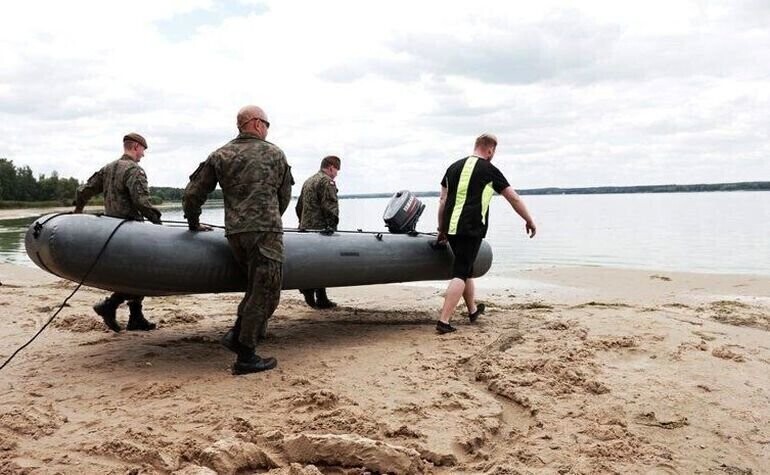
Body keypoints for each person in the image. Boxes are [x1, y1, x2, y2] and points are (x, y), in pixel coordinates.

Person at [183, 105, 293, 375]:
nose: (267, 129)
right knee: (267, 292)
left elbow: (193, 194)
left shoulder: (220, 155)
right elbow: (284, 196)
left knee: (255, 288)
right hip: (266, 232)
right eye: (267, 124)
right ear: (256, 123)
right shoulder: (274, 153)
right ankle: (245, 354)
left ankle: (237, 334)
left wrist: (193, 222)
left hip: (235, 233)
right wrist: (271, 219)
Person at [436, 133, 536, 334]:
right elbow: (513, 198)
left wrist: (442, 228)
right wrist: (529, 220)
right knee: (460, 272)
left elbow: (443, 201)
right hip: (471, 228)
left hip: (452, 228)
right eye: (494, 151)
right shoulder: (490, 170)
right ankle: (444, 321)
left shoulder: (453, 167)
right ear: (490, 150)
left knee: (466, 268)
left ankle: (473, 311)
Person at [73, 132, 162, 333]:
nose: (143, 155)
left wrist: (77, 212)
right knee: (141, 273)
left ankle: (135, 317)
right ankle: (110, 305)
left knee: (132, 273)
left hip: (111, 231)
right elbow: (141, 202)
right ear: (136, 147)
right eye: (143, 150)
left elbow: (84, 190)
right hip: (131, 231)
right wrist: (158, 223)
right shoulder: (134, 170)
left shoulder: (108, 168)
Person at [295, 155, 341, 309]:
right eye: (336, 170)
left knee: (311, 263)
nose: (336, 174)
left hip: (305, 229)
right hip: (320, 230)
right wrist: (332, 228)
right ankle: (315, 295)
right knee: (323, 263)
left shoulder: (309, 181)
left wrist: (303, 223)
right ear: (331, 167)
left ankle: (320, 297)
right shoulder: (326, 182)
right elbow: (330, 207)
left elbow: (299, 207)